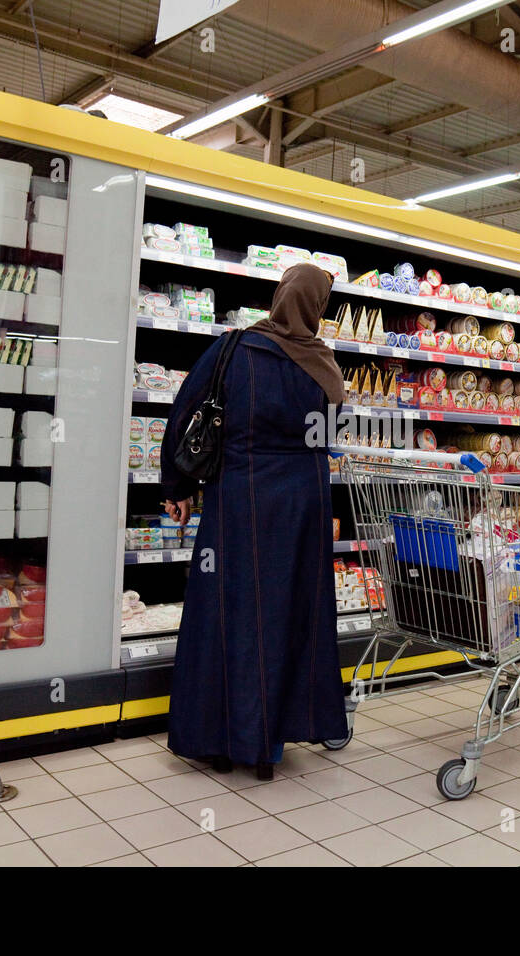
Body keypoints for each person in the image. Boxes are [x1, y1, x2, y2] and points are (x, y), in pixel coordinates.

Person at [160, 263, 349, 780]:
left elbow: (185, 414)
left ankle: (216, 741)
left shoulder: (231, 348)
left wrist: (177, 489)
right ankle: (267, 742)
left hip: (235, 503)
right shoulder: (323, 366)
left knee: (225, 613)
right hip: (300, 506)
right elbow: (331, 432)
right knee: (288, 616)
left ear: (277, 296)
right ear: (317, 308)